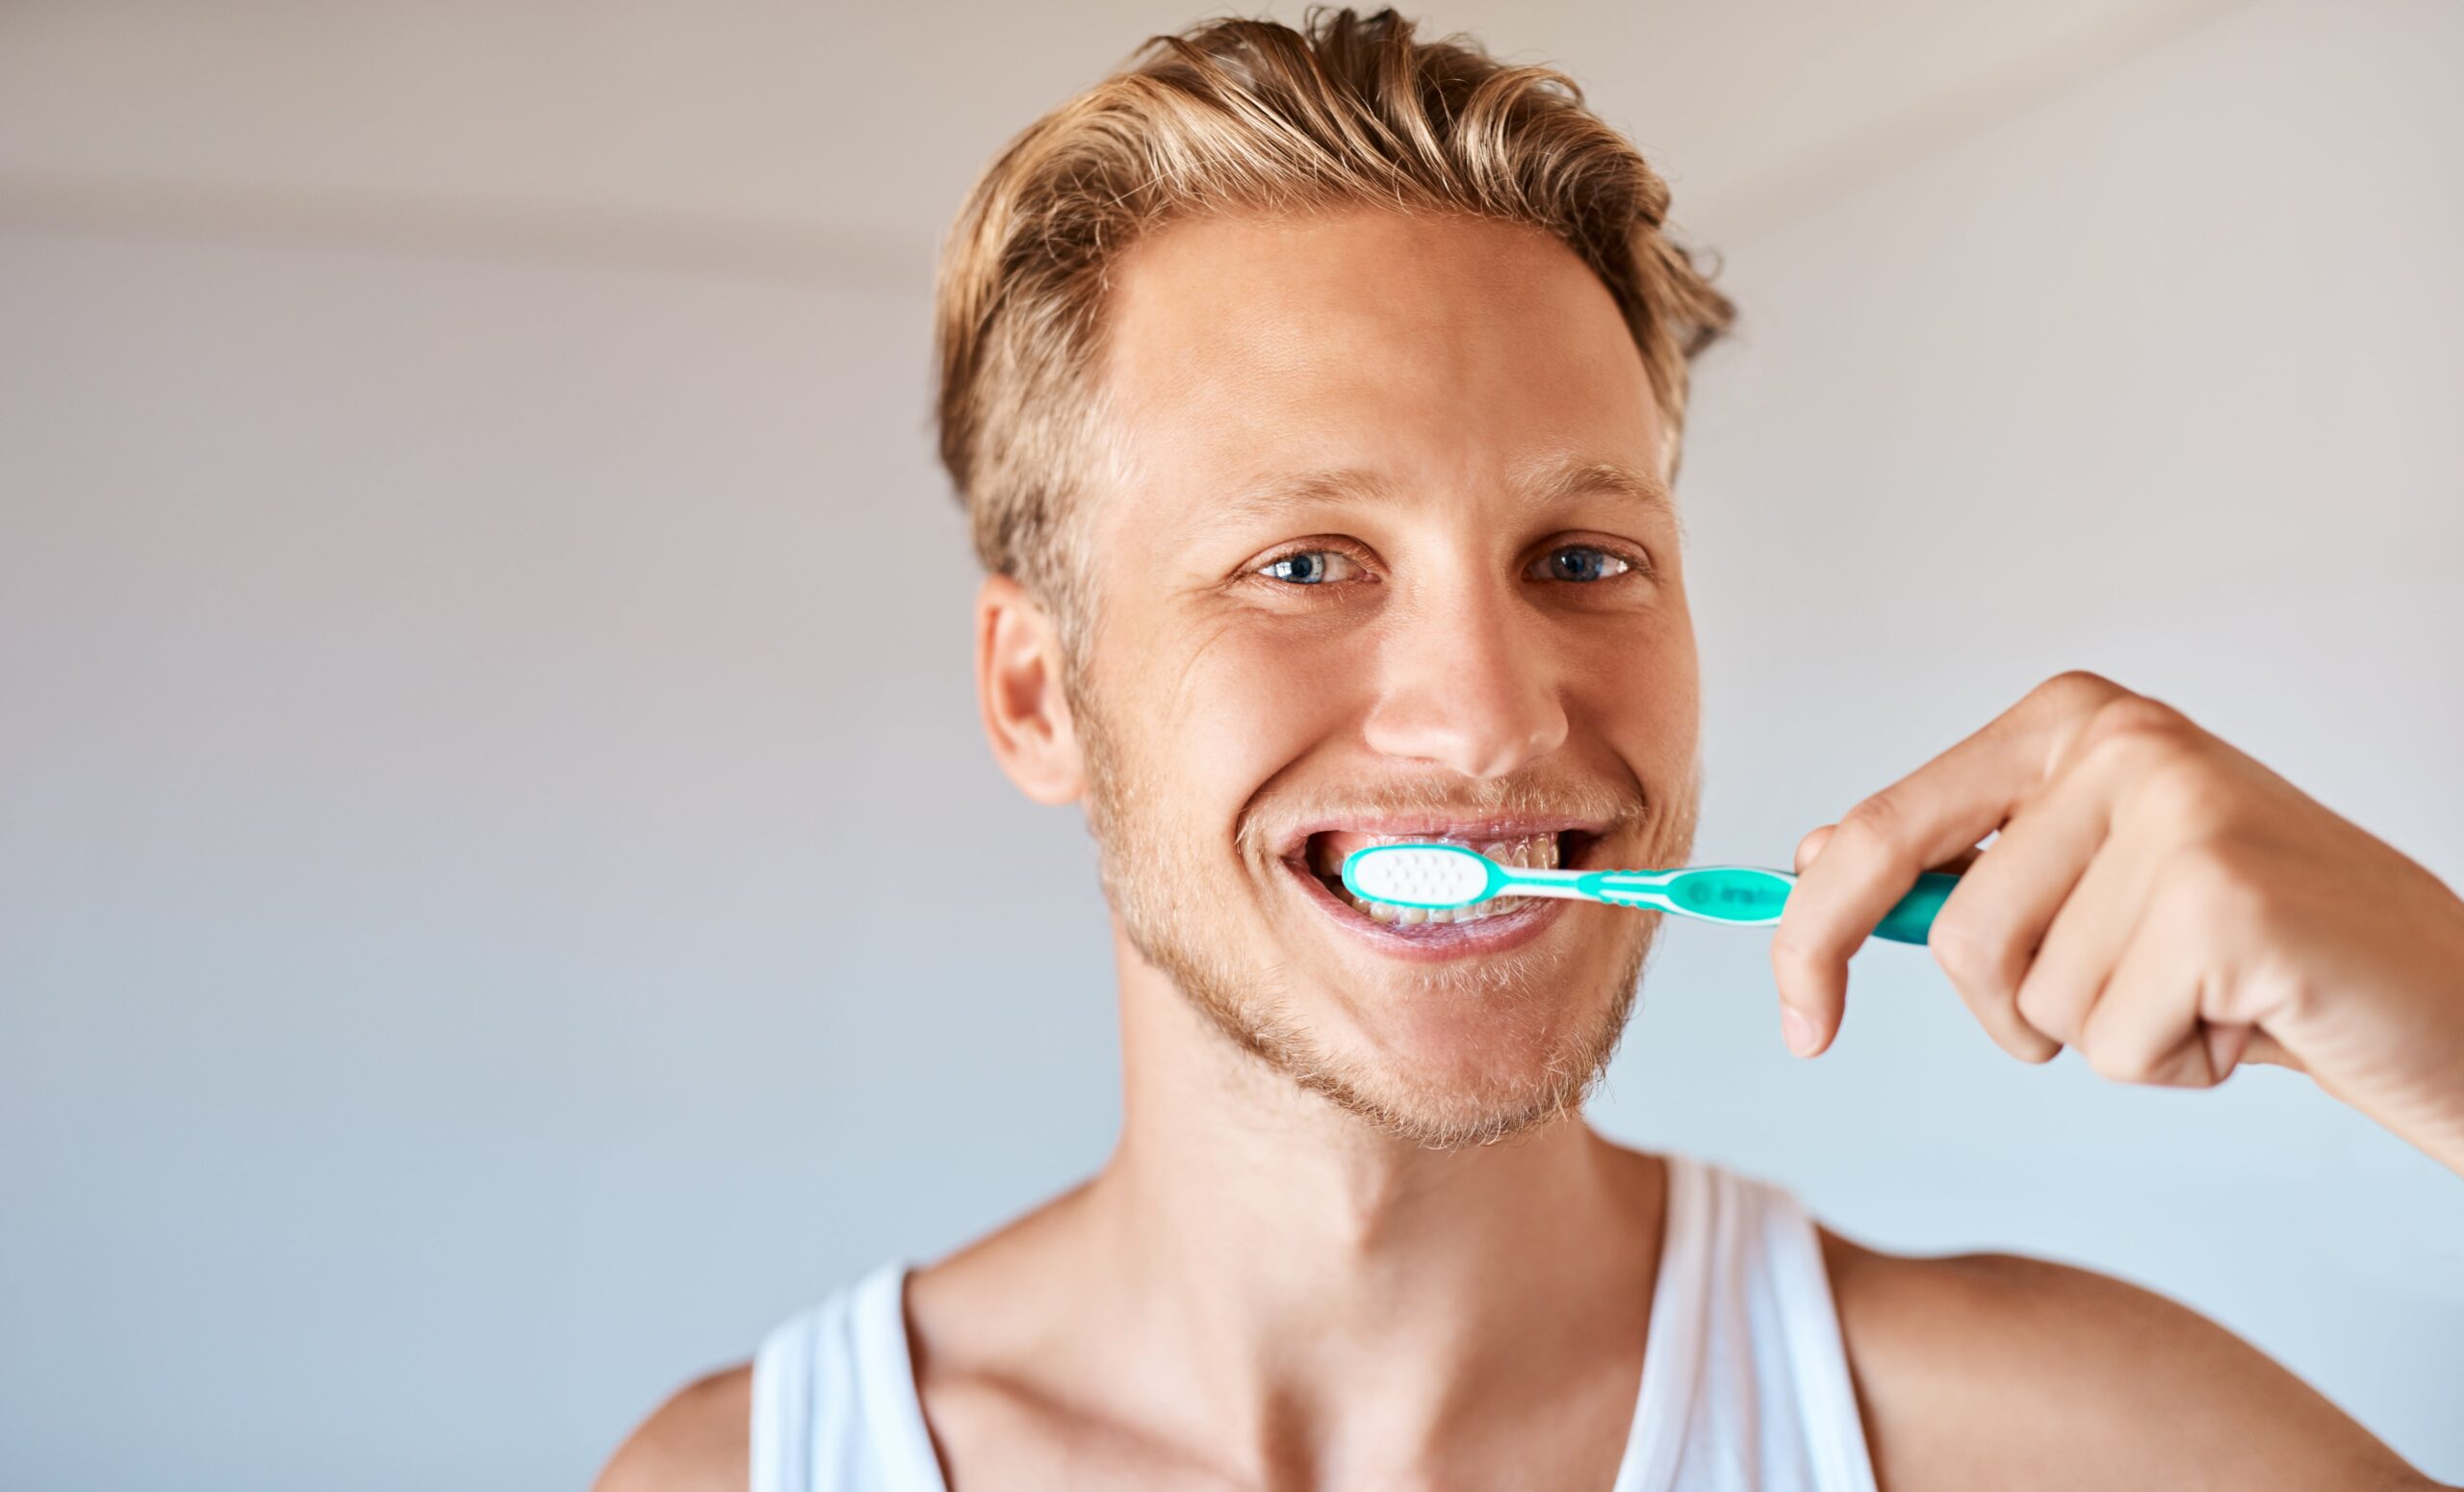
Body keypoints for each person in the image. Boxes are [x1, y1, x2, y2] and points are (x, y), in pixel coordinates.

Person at [599, 12, 2464, 1489]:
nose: (1493, 718)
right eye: (1304, 562)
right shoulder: (740, 1474)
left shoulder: (2053, 1449)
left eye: (1581, 557)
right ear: (1036, 696)